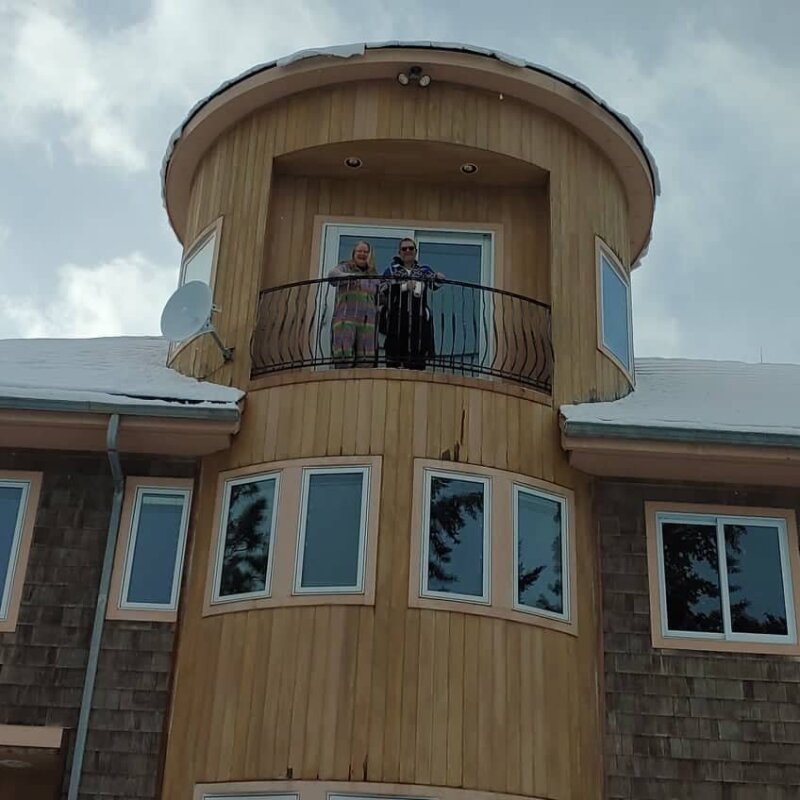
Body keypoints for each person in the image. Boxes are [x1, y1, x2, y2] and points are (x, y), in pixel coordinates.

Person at [379, 238, 445, 370]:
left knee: (417, 353)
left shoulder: (423, 270)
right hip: (397, 318)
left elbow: (435, 284)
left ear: (416, 251)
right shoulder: (391, 270)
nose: (408, 251)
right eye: (404, 249)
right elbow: (382, 290)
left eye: (411, 248)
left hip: (418, 317)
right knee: (394, 356)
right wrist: (403, 287)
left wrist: (438, 277)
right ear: (399, 252)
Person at [327, 240, 380, 367]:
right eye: (359, 251)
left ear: (370, 255)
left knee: (366, 359)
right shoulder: (345, 267)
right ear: (354, 253)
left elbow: (381, 296)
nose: (362, 254)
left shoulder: (373, 274)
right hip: (346, 318)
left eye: (365, 252)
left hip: (368, 322)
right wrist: (350, 276)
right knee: (343, 355)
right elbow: (332, 275)